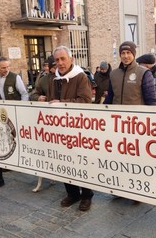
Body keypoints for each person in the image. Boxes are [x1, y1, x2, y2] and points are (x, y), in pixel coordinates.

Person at [47, 45, 93, 212]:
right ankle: (72, 193)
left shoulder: (81, 77)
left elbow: (86, 101)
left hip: (78, 129)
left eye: (63, 59)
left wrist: (63, 104)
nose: (59, 63)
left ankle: (87, 195)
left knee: (81, 162)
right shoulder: (53, 78)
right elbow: (50, 99)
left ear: (71, 59)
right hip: (60, 129)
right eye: (57, 60)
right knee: (64, 160)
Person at [103, 41, 156, 105]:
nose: (126, 56)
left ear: (133, 54)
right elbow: (110, 97)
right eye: (123, 53)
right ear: (120, 55)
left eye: (128, 53)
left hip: (136, 114)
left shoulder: (144, 73)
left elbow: (151, 99)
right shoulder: (113, 74)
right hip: (117, 113)